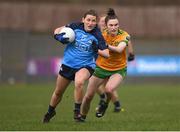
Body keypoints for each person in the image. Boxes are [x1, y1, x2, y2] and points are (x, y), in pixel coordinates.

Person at [42, 9, 109, 123]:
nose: (90, 23)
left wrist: (96, 49)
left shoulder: (98, 34)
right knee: (58, 92)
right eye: (88, 20)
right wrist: (57, 36)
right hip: (68, 64)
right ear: (83, 20)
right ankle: (50, 111)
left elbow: (107, 54)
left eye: (93, 21)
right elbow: (57, 30)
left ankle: (77, 112)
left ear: (96, 22)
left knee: (79, 82)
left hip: (86, 65)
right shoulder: (75, 26)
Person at [77, 8, 131, 122]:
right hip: (101, 68)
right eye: (111, 25)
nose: (114, 27)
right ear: (106, 26)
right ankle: (81, 117)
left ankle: (104, 105)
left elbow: (119, 49)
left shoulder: (124, 35)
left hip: (118, 69)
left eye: (116, 25)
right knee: (88, 96)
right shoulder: (100, 34)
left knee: (109, 89)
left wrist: (105, 45)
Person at [96, 14, 135, 112]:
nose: (102, 24)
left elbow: (127, 41)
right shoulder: (98, 33)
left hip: (113, 65)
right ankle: (113, 103)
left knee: (107, 87)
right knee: (101, 86)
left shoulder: (119, 34)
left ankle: (108, 101)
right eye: (101, 22)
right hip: (101, 62)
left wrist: (131, 53)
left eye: (103, 22)